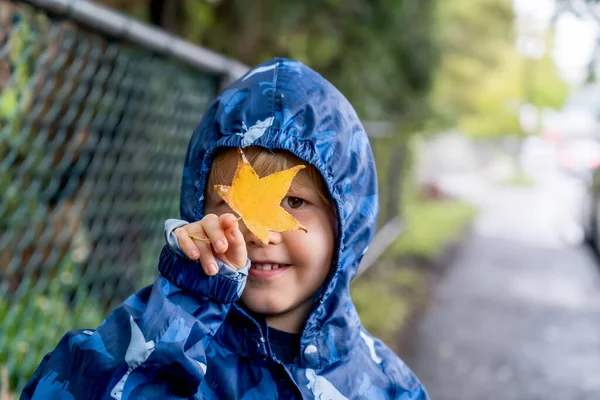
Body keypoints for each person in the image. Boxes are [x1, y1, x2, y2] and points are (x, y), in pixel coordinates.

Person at [22, 58, 429, 399]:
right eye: (232, 204)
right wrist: (184, 301)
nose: (258, 232)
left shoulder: (388, 387)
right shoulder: (164, 344)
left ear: (346, 225)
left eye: (295, 202)